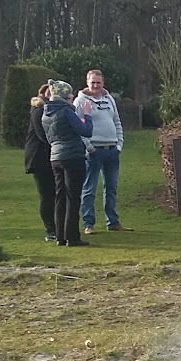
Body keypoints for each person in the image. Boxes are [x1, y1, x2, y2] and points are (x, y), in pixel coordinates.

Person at [41, 80, 93, 246]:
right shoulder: (66, 111)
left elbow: (49, 138)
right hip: (72, 157)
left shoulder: (45, 113)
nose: (72, 100)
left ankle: (60, 236)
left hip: (55, 157)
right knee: (73, 197)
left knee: (60, 197)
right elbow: (86, 131)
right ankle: (72, 236)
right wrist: (87, 115)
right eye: (71, 97)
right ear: (65, 97)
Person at [74, 69, 125, 234]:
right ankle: (88, 224)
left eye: (99, 82)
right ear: (87, 83)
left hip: (112, 150)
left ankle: (113, 222)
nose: (96, 85)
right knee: (89, 188)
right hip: (93, 151)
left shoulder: (109, 99)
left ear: (103, 83)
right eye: (93, 82)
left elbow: (116, 121)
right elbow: (78, 127)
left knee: (111, 188)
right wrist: (89, 147)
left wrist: (119, 145)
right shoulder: (80, 101)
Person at [24, 84, 57, 242]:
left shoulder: (50, 110)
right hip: (39, 158)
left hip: (50, 156)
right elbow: (42, 135)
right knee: (46, 195)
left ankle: (57, 227)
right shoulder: (38, 110)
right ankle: (50, 230)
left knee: (54, 194)